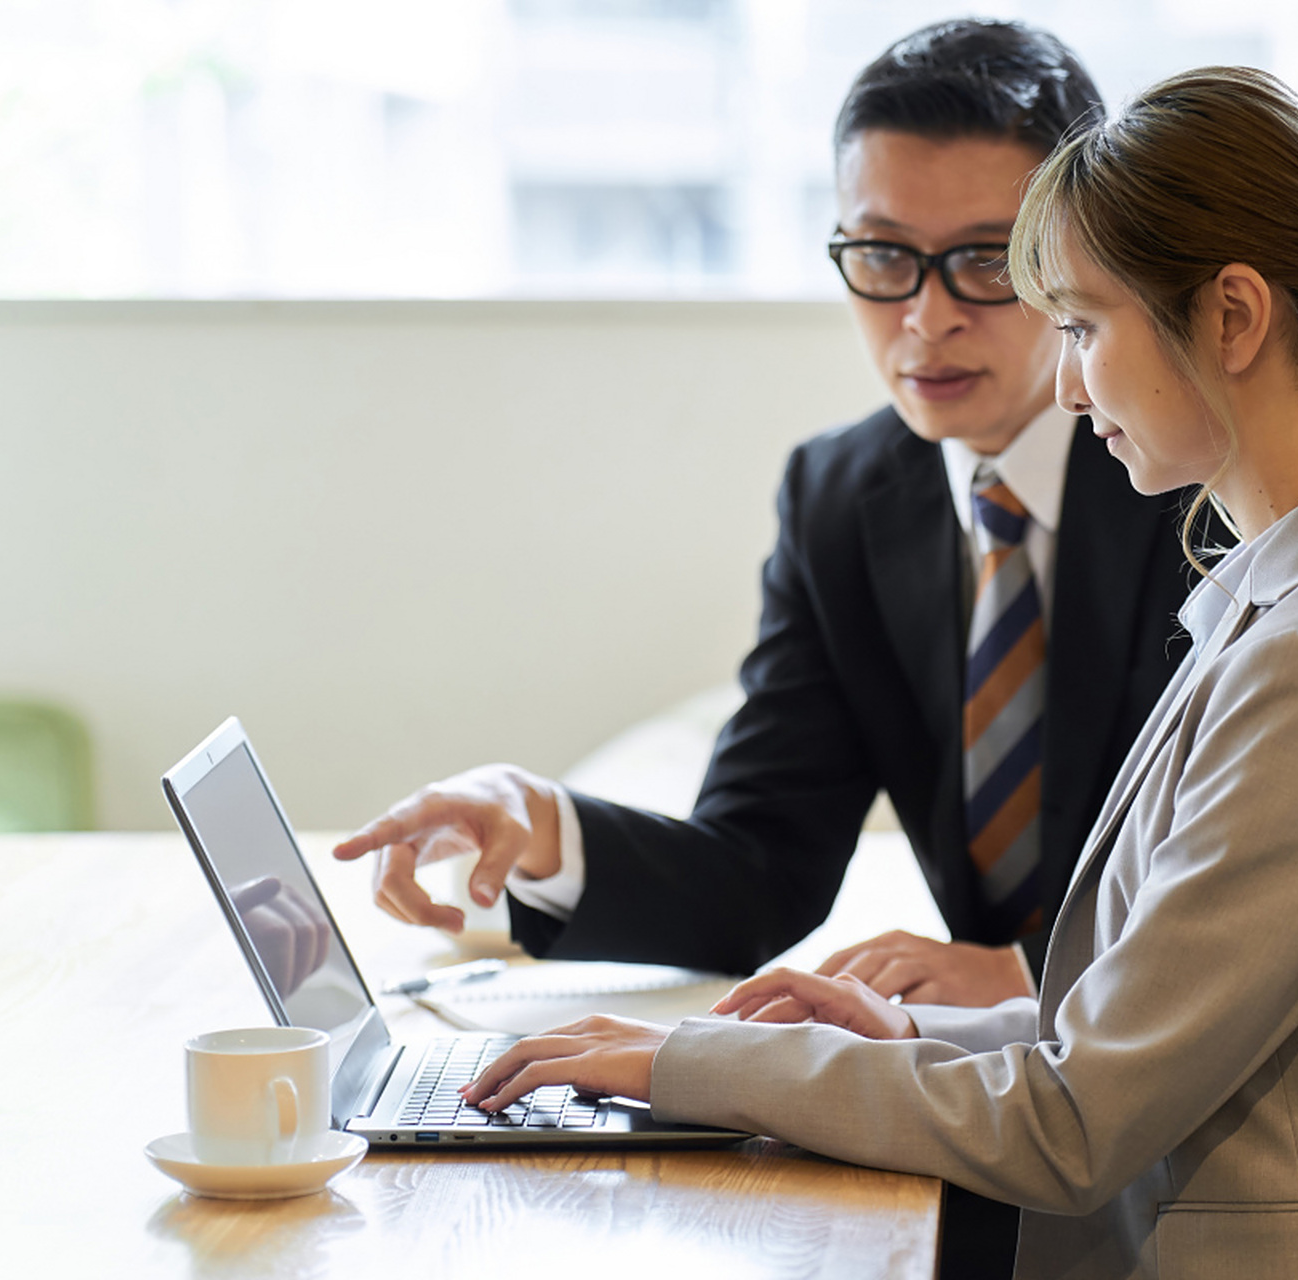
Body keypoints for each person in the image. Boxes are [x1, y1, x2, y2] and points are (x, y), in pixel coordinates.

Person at [456, 66, 1298, 1280]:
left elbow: (1075, 1124)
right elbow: (1147, 1028)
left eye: (1081, 325)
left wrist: (682, 1061)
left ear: (1231, 317)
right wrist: (914, 1032)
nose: (1061, 381)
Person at [334, 19, 1207, 1003]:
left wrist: (1028, 974)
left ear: (1077, 257)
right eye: (882, 255)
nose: (925, 317)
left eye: (987, 258)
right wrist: (543, 824)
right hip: (985, 1094)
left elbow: (1264, 876)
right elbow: (758, 872)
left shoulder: (1196, 472)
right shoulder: (840, 497)